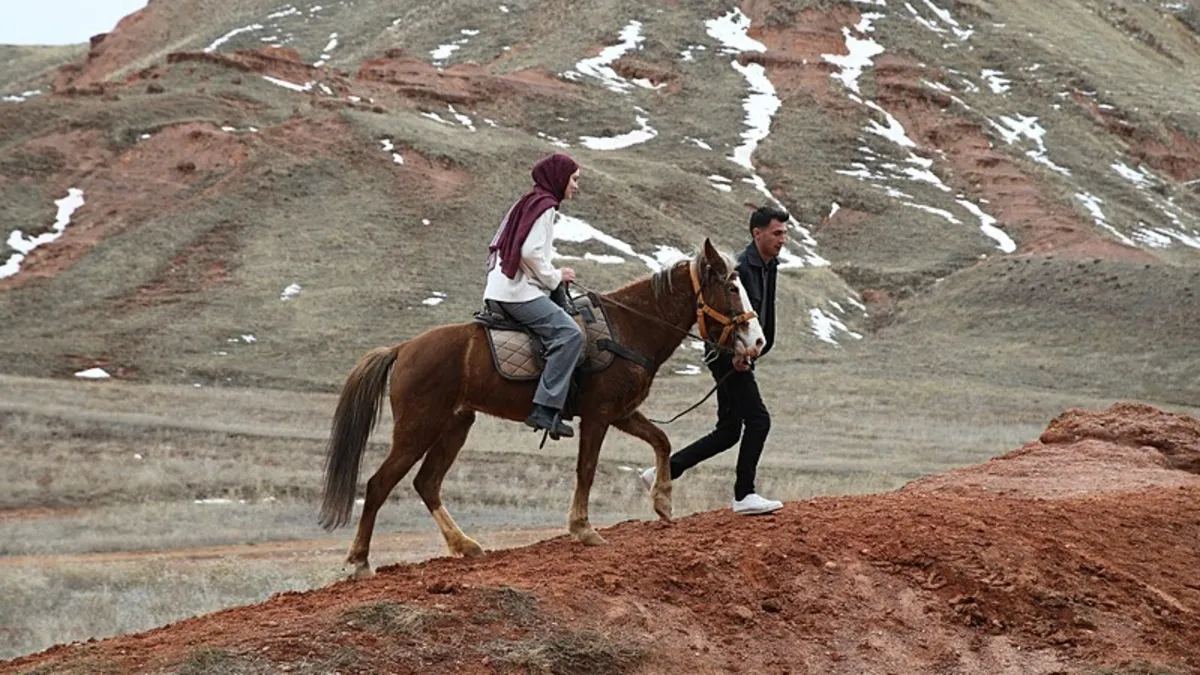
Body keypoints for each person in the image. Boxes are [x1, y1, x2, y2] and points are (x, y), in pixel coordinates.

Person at [640, 205, 790, 515]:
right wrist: (735, 353)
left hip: (743, 355)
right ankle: (744, 494)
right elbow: (722, 317)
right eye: (777, 233)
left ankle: (663, 472)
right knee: (759, 420)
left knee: (728, 431)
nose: (782, 239)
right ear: (757, 233)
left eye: (784, 234)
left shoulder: (770, 265)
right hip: (727, 356)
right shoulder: (740, 269)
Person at [484, 152, 584, 439]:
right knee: (569, 334)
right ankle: (545, 408)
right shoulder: (545, 206)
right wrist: (556, 276)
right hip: (517, 293)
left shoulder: (529, 201)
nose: (576, 186)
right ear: (559, 177)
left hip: (501, 288)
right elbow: (529, 252)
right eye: (574, 179)